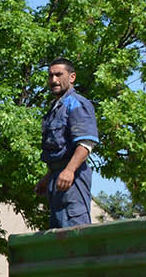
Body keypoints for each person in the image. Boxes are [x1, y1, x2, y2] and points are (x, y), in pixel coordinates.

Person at [33, 58, 99, 229]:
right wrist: (47, 178)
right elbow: (59, 148)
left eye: (58, 75)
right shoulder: (55, 107)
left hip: (73, 179)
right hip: (57, 179)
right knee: (58, 232)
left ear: (72, 77)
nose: (53, 80)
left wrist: (69, 170)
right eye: (50, 76)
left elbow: (86, 143)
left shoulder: (77, 103)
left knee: (75, 229)